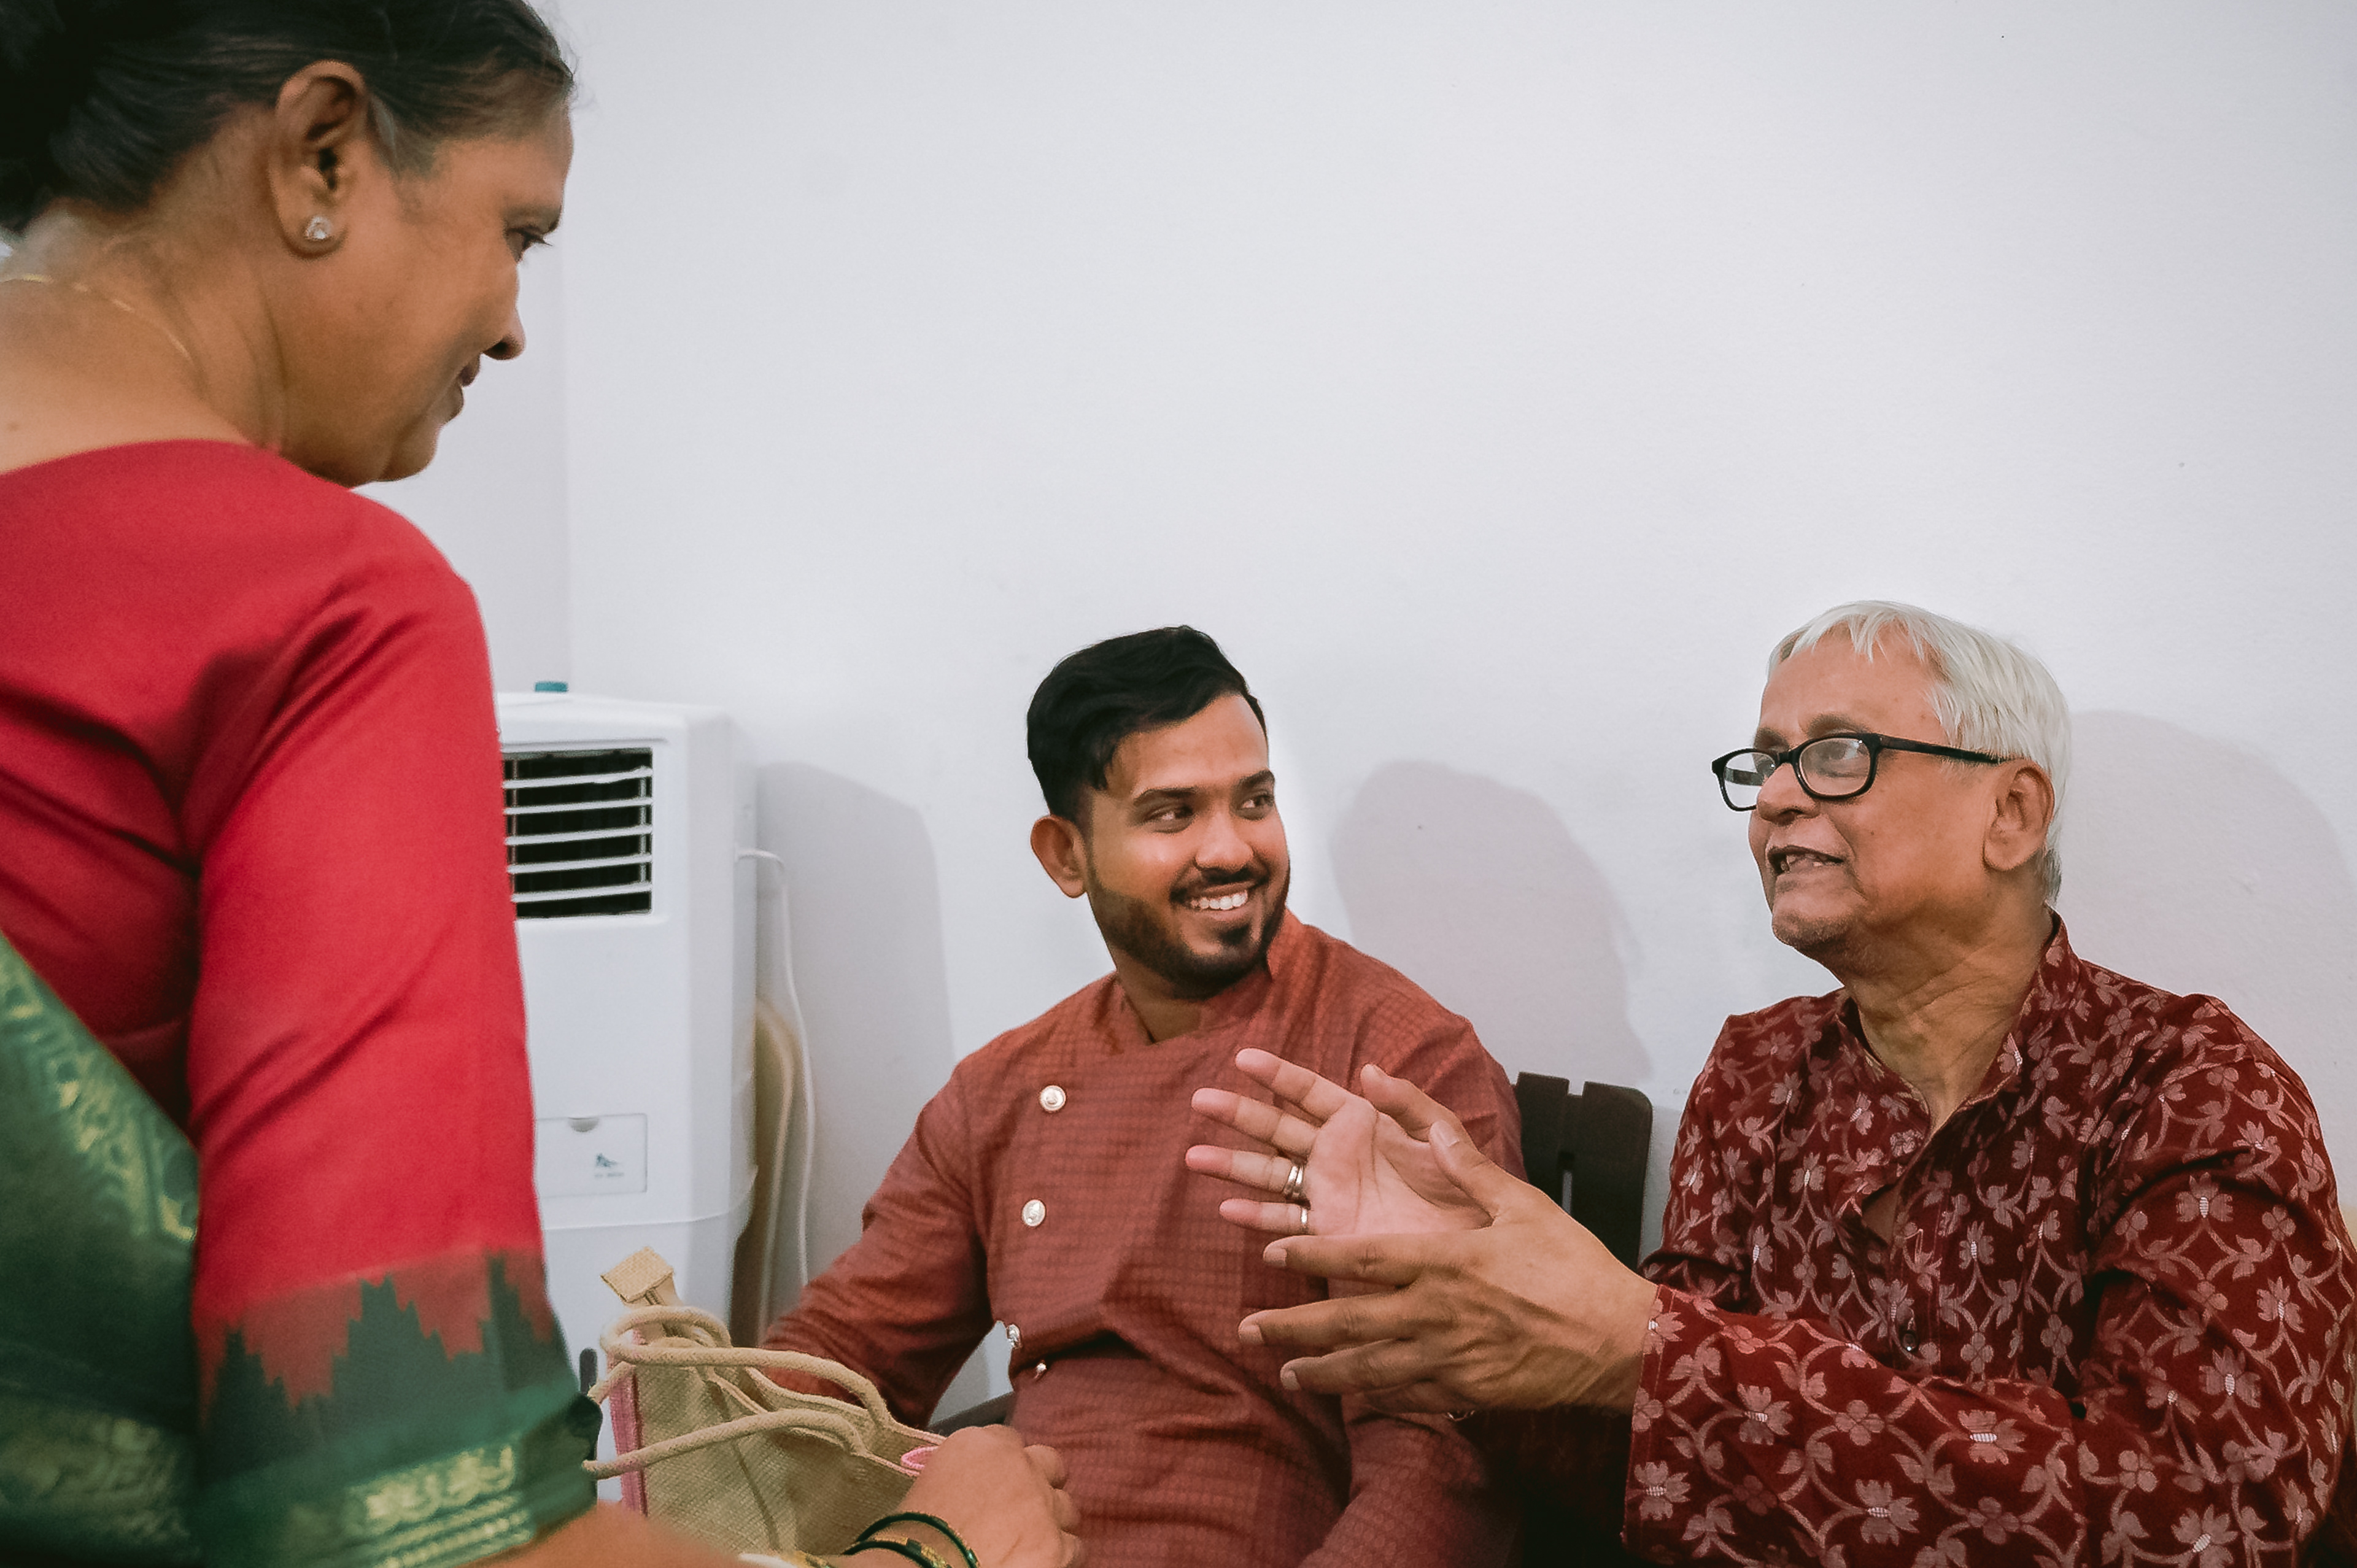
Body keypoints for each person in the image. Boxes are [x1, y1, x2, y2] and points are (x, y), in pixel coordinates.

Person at [0, 6, 1078, 1567]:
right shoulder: (318, 611)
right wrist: (937, 1552)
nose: (513, 327)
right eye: (517, 232)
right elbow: (414, 1526)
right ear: (322, 154)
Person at [1190, 601, 2357, 1564]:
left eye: (1839, 756)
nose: (1779, 800)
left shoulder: (2194, 1082)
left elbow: (2205, 1514)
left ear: (2011, 813)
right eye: (1767, 763)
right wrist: (1480, 1317)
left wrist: (1647, 1346)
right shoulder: (1756, 1074)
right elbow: (1646, 1474)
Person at [759, 627, 1522, 1568]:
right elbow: (843, 1352)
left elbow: (1440, 1460)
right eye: (1173, 814)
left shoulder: (1395, 1061)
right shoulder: (1000, 1090)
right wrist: (694, 1427)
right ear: (1066, 856)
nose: (1231, 848)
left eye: (1255, 801)